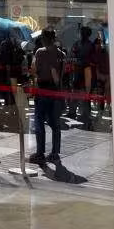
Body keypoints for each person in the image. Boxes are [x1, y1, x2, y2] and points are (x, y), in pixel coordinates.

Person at [30, 27, 66, 164]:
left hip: (43, 91)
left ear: (44, 38)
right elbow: (61, 76)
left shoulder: (40, 52)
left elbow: (34, 70)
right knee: (55, 124)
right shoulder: (62, 54)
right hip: (56, 92)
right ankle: (55, 153)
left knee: (39, 122)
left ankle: (40, 153)